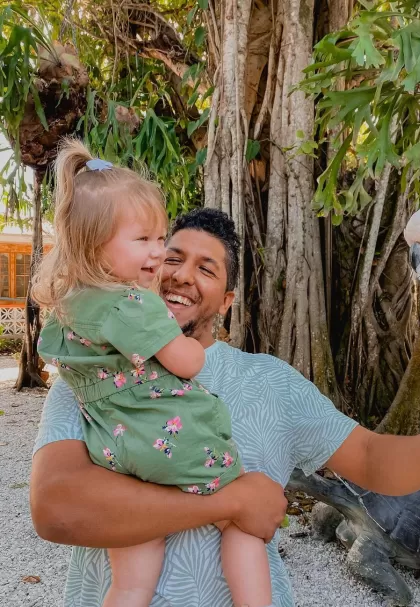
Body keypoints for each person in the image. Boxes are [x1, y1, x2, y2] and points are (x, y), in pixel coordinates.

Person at [31, 207, 420, 607]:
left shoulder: (271, 382)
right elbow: (56, 506)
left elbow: (371, 461)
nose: (181, 275)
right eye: (172, 259)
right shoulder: (93, 367)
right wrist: (233, 501)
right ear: (146, 269)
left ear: (229, 301)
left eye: (206, 268)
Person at [32, 140, 272, 607]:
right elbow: (186, 361)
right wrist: (190, 350)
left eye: (160, 239)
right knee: (241, 519)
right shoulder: (134, 304)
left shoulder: (68, 307)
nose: (158, 253)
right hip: (166, 435)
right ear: (93, 245)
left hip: (112, 447)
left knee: (132, 578)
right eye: (143, 239)